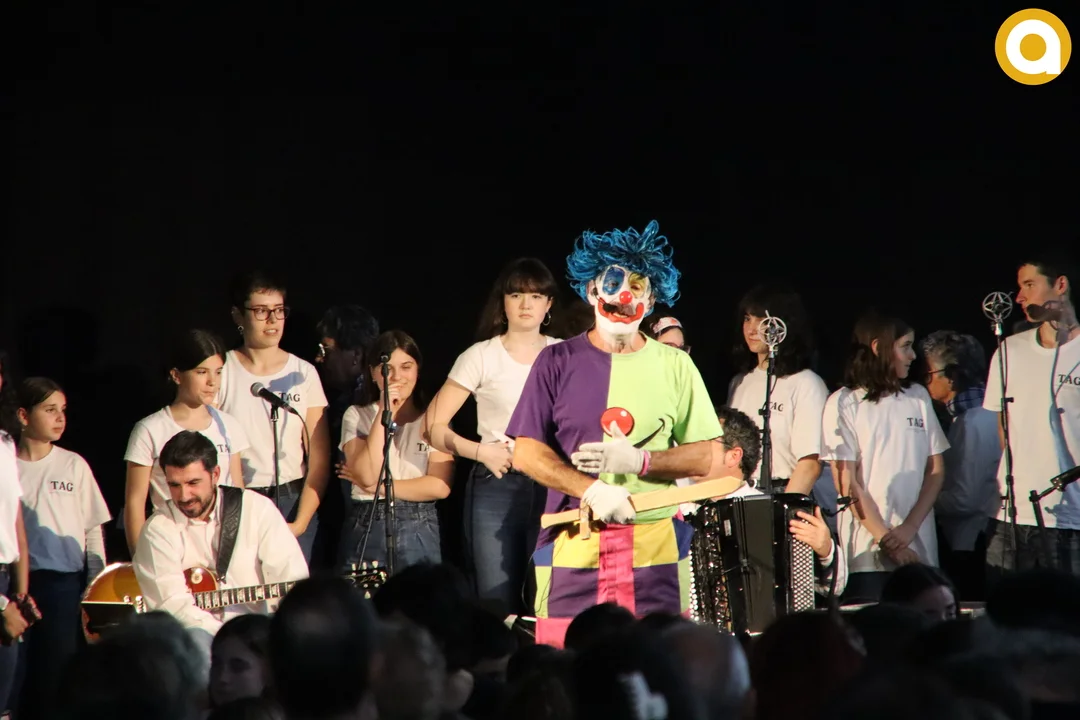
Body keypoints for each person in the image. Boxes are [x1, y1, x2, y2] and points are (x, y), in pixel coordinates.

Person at [507, 219, 725, 647]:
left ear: (652, 299)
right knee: (567, 660)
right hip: (575, 539)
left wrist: (643, 461)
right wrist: (591, 490)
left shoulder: (676, 365)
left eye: (637, 286)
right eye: (612, 282)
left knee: (660, 661)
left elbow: (706, 457)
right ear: (592, 291)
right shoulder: (556, 362)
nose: (624, 295)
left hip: (656, 544)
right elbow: (526, 452)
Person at [424, 257, 560, 615]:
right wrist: (480, 451)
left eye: (535, 296)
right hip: (496, 484)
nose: (526, 304)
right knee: (496, 600)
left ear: (548, 304)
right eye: (516, 295)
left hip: (553, 483)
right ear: (503, 302)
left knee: (548, 599)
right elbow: (433, 427)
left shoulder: (565, 354)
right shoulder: (481, 356)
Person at [132, 431, 308, 671]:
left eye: (193, 483)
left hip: (258, 636)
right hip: (195, 641)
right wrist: (230, 638)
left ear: (215, 474)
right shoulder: (158, 530)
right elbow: (172, 606)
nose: (184, 496)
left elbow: (291, 576)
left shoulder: (257, 510)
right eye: (174, 485)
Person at [821, 309, 949, 603]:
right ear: (878, 347)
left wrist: (909, 529)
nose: (913, 356)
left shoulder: (917, 396)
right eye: (905, 346)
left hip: (919, 550)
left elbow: (935, 470)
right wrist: (887, 540)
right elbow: (847, 483)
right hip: (867, 555)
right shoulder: (844, 402)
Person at [216, 271, 330, 565]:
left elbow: (319, 457)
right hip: (238, 500)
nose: (272, 320)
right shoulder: (222, 370)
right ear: (238, 315)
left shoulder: (303, 373)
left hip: (293, 501)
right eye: (261, 311)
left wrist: (301, 522)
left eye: (279, 310)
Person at [13, 377, 111, 719]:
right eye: (50, 409)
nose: (60, 418)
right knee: (18, 677)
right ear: (23, 415)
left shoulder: (73, 465)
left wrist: (96, 585)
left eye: (63, 410)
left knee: (57, 676)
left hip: (64, 587)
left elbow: (92, 527)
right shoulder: (7, 465)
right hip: (17, 586)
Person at [983, 254, 1080, 585]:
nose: (1020, 297)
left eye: (1029, 285)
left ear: (1060, 285)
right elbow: (1004, 428)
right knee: (1007, 609)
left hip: (1071, 519)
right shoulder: (1009, 351)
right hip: (1011, 516)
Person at [686, 406, 847, 596]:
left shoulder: (776, 513)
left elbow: (834, 589)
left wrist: (826, 551)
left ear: (734, 456)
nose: (690, 450)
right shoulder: (681, 508)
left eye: (703, 443)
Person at [124, 329, 249, 555]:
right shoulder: (150, 429)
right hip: (171, 545)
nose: (212, 382)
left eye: (218, 372)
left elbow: (237, 491)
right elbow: (135, 503)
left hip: (222, 547)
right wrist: (140, 559)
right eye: (202, 372)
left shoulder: (229, 426)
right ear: (176, 375)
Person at [340, 331, 454, 570]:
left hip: (419, 522)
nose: (396, 377)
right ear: (373, 373)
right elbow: (366, 474)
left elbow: (439, 486)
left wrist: (378, 487)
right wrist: (384, 410)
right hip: (368, 520)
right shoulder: (357, 415)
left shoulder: (433, 417)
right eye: (387, 369)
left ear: (417, 370)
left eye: (406, 367)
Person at [727, 285, 832, 502]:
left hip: (784, 493)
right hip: (740, 494)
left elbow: (809, 464)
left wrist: (783, 510)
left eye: (761, 320)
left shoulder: (806, 383)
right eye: (747, 319)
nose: (751, 329)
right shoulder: (740, 382)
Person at [920, 330, 999, 600]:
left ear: (952, 376)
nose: (925, 382)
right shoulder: (974, 417)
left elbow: (966, 499)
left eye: (929, 374)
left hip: (970, 543)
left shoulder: (973, 422)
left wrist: (921, 501)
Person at [314, 305, 380, 572]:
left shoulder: (368, 405)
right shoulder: (338, 399)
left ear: (356, 355)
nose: (319, 359)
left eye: (326, 350)